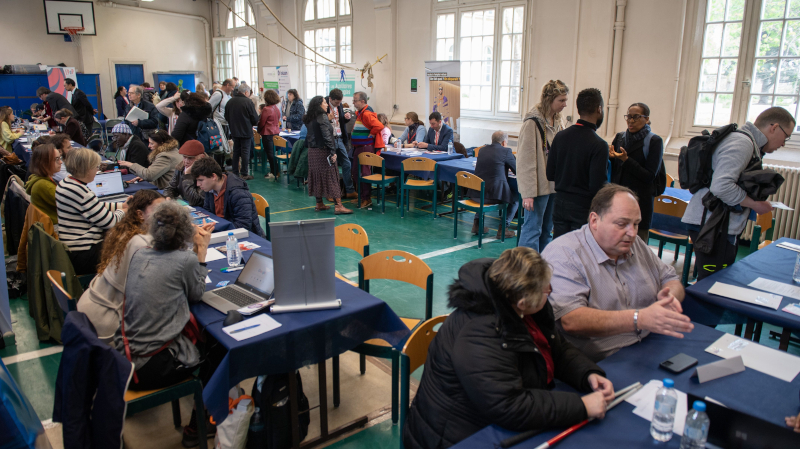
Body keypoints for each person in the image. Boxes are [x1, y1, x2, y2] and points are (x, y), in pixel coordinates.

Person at [403, 247, 615, 448]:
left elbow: (555, 347)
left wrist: (587, 373)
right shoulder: (480, 334)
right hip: (454, 437)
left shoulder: (521, 305)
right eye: (546, 289)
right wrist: (581, 406)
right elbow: (510, 406)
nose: (550, 292)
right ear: (523, 302)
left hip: (486, 419)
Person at [542, 184, 692, 362]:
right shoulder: (564, 254)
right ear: (594, 221)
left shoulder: (636, 244)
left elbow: (671, 279)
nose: (632, 233)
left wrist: (670, 297)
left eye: (636, 224)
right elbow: (571, 320)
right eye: (622, 224)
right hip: (602, 362)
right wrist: (639, 318)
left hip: (651, 344)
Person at [112, 201, 221, 446]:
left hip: (125, 357)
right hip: (152, 366)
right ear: (183, 233)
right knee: (217, 348)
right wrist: (201, 251)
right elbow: (196, 293)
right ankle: (197, 424)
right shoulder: (185, 260)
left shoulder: (141, 254)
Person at [682, 107, 792, 280]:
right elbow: (721, 186)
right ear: (774, 127)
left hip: (716, 224)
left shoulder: (749, 142)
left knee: (714, 282)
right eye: (786, 136)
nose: (784, 143)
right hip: (712, 226)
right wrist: (755, 204)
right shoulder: (743, 143)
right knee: (713, 285)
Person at [78, 190, 166, 343]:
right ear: (140, 214)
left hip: (91, 306)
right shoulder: (141, 244)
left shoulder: (121, 232)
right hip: (108, 322)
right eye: (159, 210)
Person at [546, 88, 609, 238]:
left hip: (560, 203)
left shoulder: (560, 137)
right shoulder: (599, 144)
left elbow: (550, 173)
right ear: (599, 109)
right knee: (580, 251)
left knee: (560, 247)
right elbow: (597, 185)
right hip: (583, 207)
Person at [56, 148, 127, 274]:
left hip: (72, 246)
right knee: (128, 249)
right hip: (84, 253)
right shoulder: (82, 192)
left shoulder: (65, 183)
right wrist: (126, 211)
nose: (97, 170)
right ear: (86, 169)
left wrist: (121, 205)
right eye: (96, 167)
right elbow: (110, 221)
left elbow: (96, 206)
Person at [517, 80, 569, 252]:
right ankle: (525, 271)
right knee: (532, 230)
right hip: (537, 188)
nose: (565, 104)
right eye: (561, 100)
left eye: (565, 100)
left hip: (554, 186)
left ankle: (543, 268)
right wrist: (528, 193)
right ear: (549, 99)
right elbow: (525, 160)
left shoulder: (558, 121)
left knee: (547, 231)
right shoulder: (533, 122)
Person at [609, 103, 664, 241]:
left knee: (637, 248)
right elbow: (614, 170)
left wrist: (626, 160)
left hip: (640, 203)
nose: (631, 121)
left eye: (636, 117)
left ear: (646, 119)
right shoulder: (620, 137)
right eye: (629, 117)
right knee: (614, 243)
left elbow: (649, 176)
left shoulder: (654, 141)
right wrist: (609, 158)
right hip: (618, 201)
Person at [303, 96, 354, 215]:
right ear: (319, 105)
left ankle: (319, 203)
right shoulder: (322, 116)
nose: (326, 104)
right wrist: (333, 152)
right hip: (323, 151)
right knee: (332, 177)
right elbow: (327, 136)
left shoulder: (309, 117)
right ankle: (338, 205)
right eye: (324, 102)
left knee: (316, 177)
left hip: (312, 152)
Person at [192, 157, 265, 237]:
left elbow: (243, 226)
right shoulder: (210, 188)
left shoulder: (238, 193)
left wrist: (216, 230)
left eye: (201, 180)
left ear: (213, 176)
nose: (198, 184)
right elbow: (207, 214)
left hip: (245, 237)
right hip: (223, 231)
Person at [470, 131, 517, 239]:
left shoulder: (482, 150)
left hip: (477, 194)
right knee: (515, 197)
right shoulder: (506, 151)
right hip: (493, 196)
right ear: (504, 142)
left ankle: (477, 224)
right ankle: (503, 228)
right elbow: (516, 170)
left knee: (485, 189)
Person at [350, 91, 386, 208]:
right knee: (355, 172)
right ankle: (361, 196)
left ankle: (367, 198)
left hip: (365, 148)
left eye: (355, 100)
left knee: (364, 173)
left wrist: (371, 133)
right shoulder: (360, 113)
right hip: (359, 148)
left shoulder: (366, 114)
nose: (353, 102)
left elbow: (379, 126)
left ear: (362, 101)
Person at [324, 88, 357, 198]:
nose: (338, 104)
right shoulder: (323, 105)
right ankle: (329, 192)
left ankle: (350, 190)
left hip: (339, 138)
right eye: (336, 102)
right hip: (329, 139)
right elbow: (319, 122)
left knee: (346, 163)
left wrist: (345, 118)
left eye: (340, 102)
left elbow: (340, 121)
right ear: (330, 99)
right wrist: (328, 119)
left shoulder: (340, 105)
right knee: (330, 165)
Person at [224, 84, 259, 180]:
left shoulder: (230, 101)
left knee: (236, 151)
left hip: (234, 131)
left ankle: (235, 172)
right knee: (245, 152)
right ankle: (244, 173)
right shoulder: (248, 102)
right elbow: (255, 118)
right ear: (246, 92)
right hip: (246, 131)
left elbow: (226, 116)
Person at [25, 143, 62, 225]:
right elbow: (68, 205)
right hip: (54, 227)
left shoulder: (37, 178)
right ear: (44, 162)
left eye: (60, 158)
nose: (61, 162)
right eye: (57, 159)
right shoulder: (44, 185)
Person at [165, 140, 207, 207]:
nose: (186, 161)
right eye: (184, 157)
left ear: (201, 157)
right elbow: (171, 188)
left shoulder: (206, 172)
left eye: (190, 158)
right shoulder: (180, 168)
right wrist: (168, 197)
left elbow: (194, 200)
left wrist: (187, 175)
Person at [258, 89, 282, 181]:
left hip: (267, 133)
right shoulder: (276, 108)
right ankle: (276, 171)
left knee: (270, 154)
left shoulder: (266, 109)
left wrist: (259, 131)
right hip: (276, 132)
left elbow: (262, 122)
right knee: (273, 153)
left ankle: (274, 172)